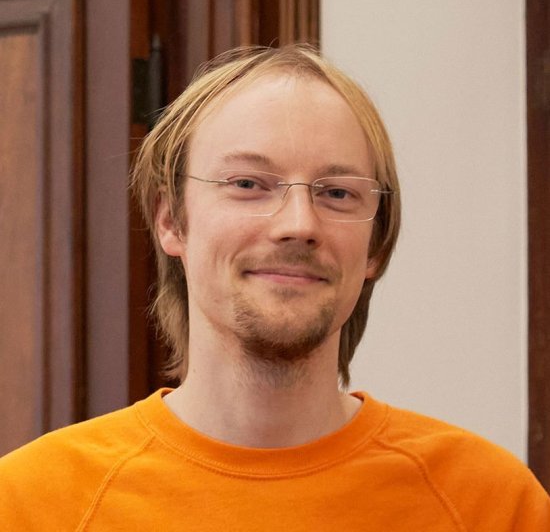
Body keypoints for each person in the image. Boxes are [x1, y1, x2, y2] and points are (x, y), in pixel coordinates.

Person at [0, 45, 548, 531]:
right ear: (171, 221)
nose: (299, 224)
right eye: (247, 184)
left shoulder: (490, 503)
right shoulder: (32, 503)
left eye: (337, 193)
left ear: (375, 246)